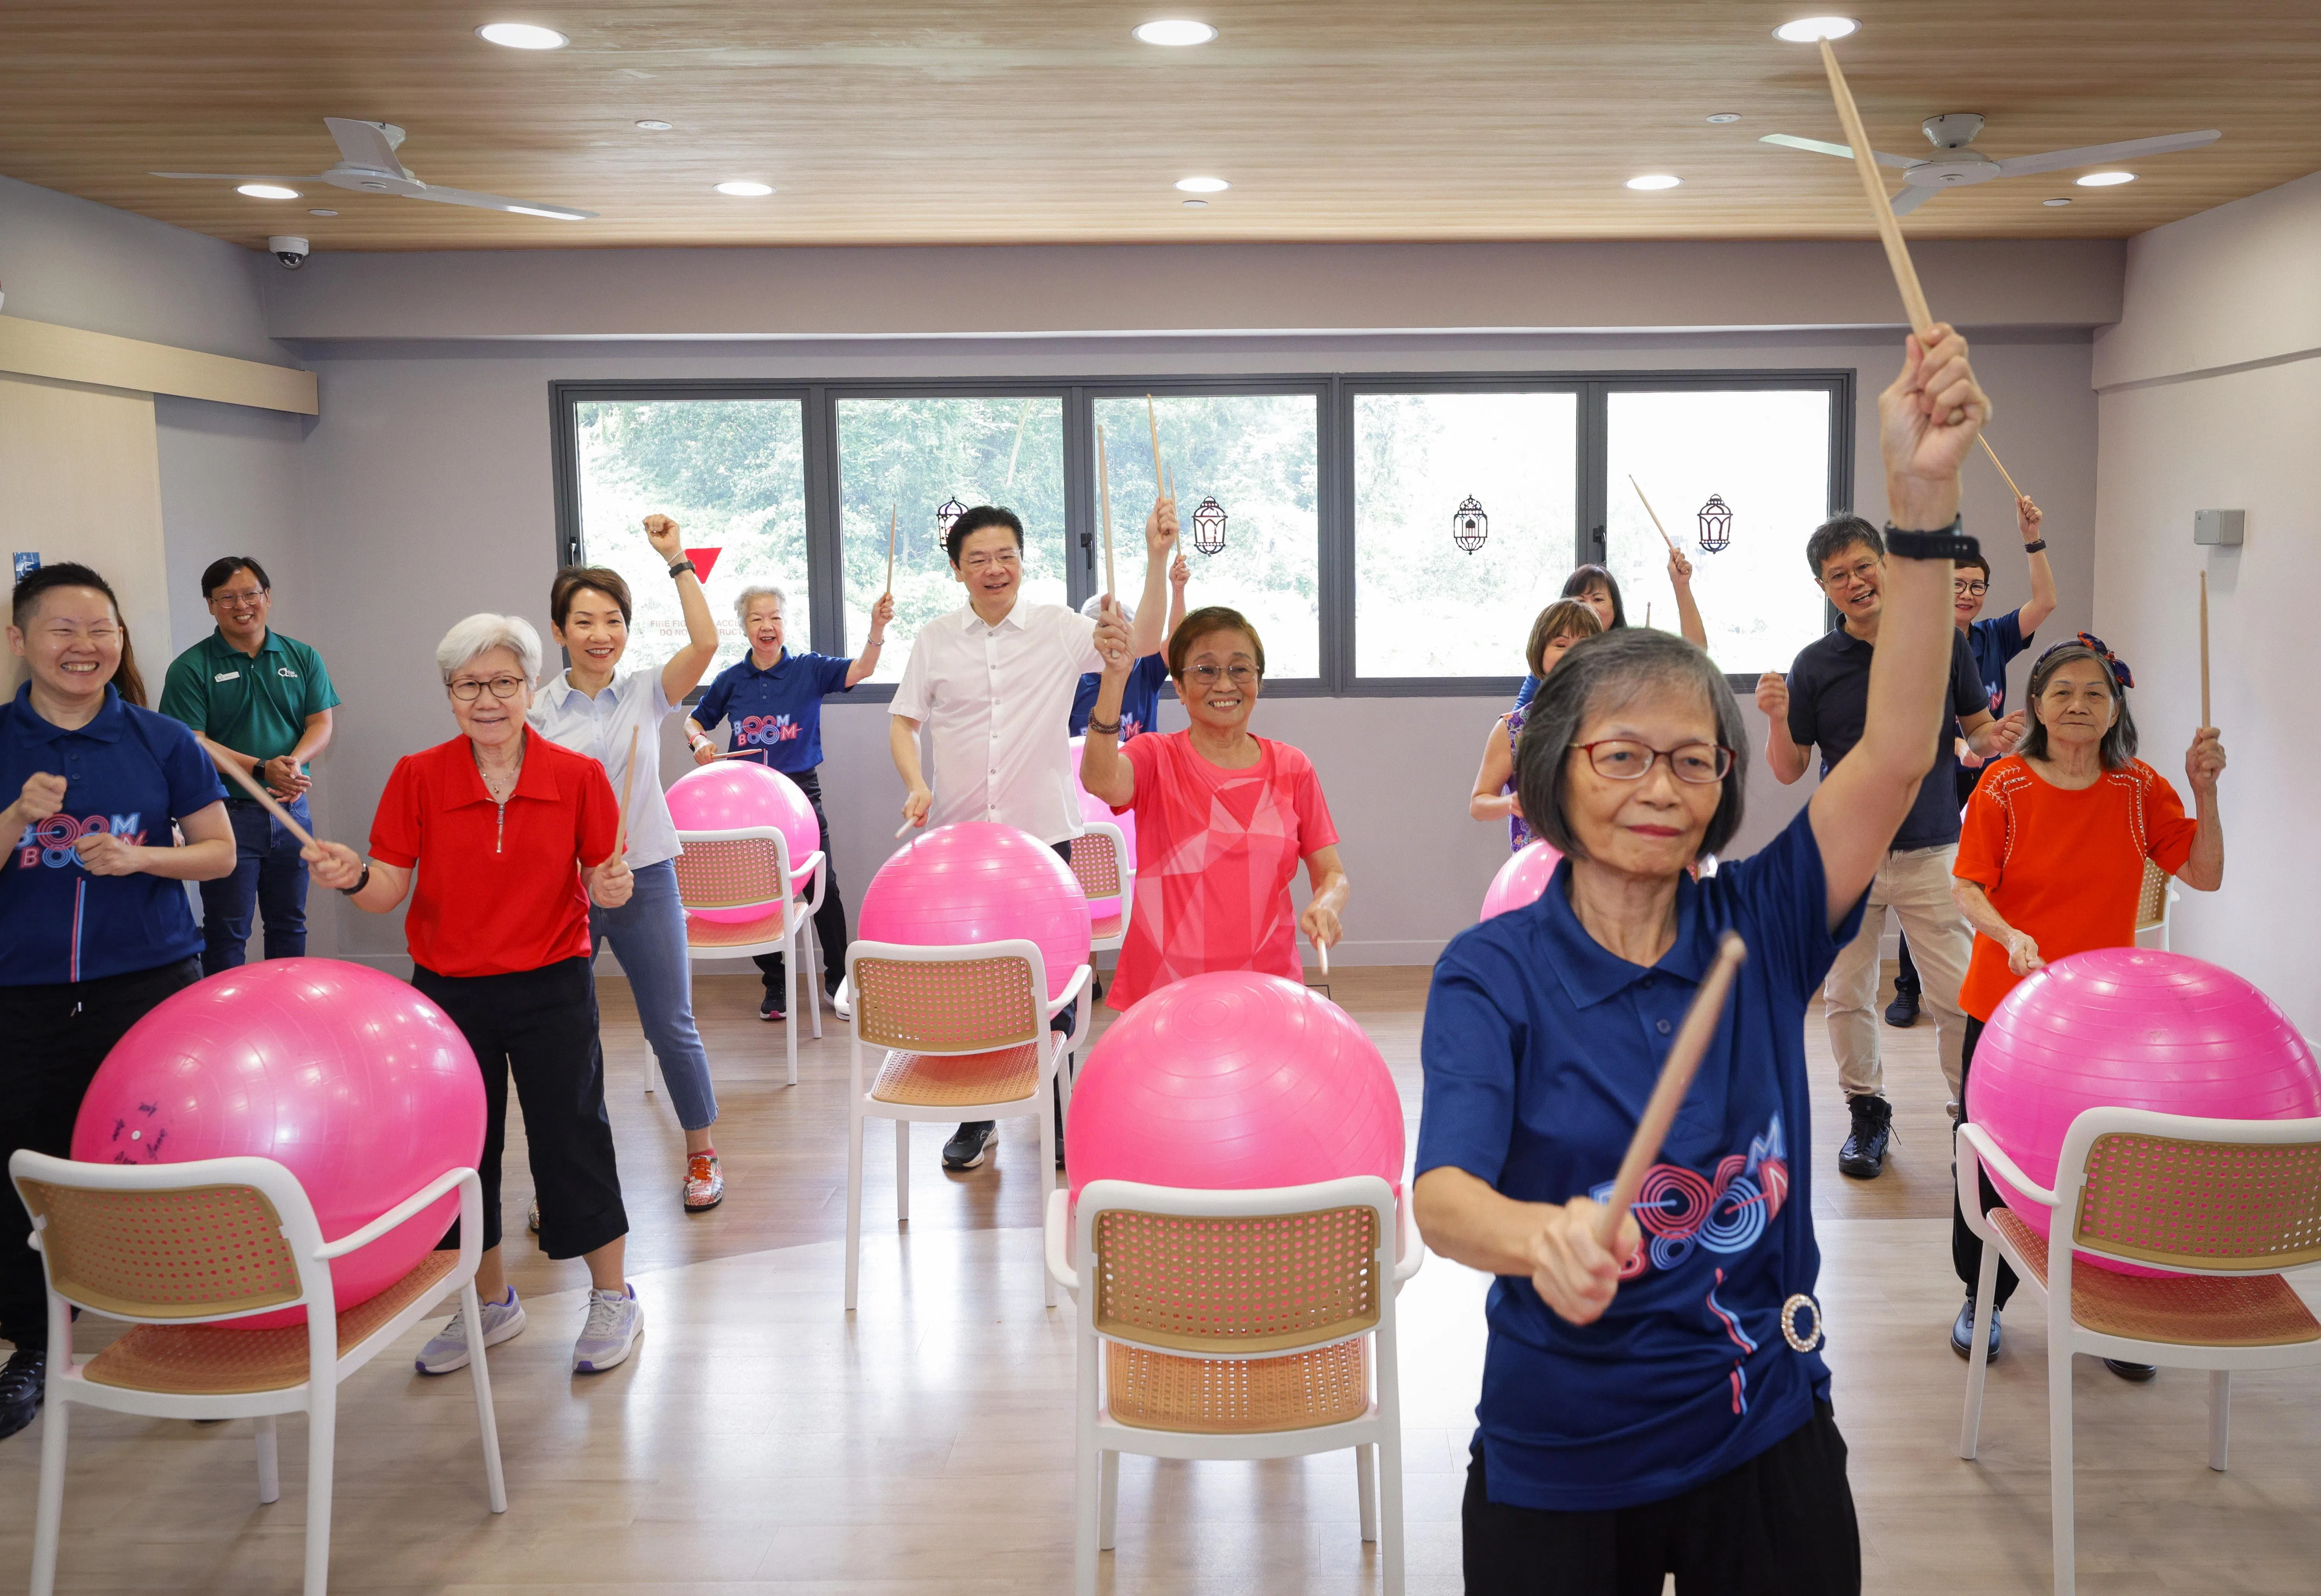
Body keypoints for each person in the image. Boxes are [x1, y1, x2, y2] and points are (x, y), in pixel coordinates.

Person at [1415, 325, 1989, 1594]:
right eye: (1621, 753)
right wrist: (1541, 1233)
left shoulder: (1763, 922)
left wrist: (1923, 502)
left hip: (1763, 1425)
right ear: (1556, 771)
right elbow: (1443, 1194)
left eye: (1694, 757)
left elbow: (1895, 754)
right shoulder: (1490, 971)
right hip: (1562, 1449)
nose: (1660, 784)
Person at [306, 615, 644, 1376]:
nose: (487, 699)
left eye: (504, 682)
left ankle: (614, 1293)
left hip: (553, 981)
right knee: (461, 1154)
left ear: (530, 688)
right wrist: (355, 874)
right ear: (450, 694)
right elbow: (387, 888)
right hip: (450, 995)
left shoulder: (579, 775)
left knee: (573, 1135)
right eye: (468, 685)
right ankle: (489, 1303)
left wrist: (609, 882)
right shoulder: (418, 774)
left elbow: (599, 876)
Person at [1945, 635, 2224, 1378]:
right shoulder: (2003, 785)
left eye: (2093, 694)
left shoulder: (2139, 790)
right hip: (2007, 1009)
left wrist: (2206, 792)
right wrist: (2008, 933)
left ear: (2113, 711)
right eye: (2062, 691)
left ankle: (2107, 1314)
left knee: (2108, 1167)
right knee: (1990, 1157)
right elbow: (1967, 887)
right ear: (2036, 707)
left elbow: (2204, 872)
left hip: (2105, 1026)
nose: (2077, 704)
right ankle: (1984, 1295)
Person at [0, 563, 234, 1441]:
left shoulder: (162, 738)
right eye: (62, 629)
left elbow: (214, 853)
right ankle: (34, 1342)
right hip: (18, 996)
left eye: (101, 629)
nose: (85, 646)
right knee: (23, 1176)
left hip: (145, 988)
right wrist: (18, 818)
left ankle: (190, 1334)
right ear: (20, 641)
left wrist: (142, 859)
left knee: (159, 1168)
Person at [889, 500, 1176, 1173]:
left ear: (1022, 561)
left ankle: (1058, 1108)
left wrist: (1156, 559)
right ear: (958, 570)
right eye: (980, 559)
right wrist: (916, 783)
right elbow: (905, 722)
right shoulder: (934, 638)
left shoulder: (1055, 628)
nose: (996, 570)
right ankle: (978, 1114)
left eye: (1007, 556)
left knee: (1054, 984)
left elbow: (1143, 641)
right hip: (962, 846)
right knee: (972, 988)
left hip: (1044, 843)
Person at [1755, 514, 2023, 1180]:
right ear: (1824, 586)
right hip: (1846, 856)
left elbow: (1977, 730)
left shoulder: (1939, 642)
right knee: (1847, 994)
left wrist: (2000, 738)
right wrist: (1772, 719)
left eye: (1861, 567)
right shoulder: (1815, 666)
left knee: (1959, 995)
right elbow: (1789, 768)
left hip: (1935, 849)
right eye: (1837, 576)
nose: (1854, 583)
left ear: (1885, 564)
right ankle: (1867, 1114)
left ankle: (1975, 1120)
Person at [530, 515, 729, 1213]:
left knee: (670, 1023)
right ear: (560, 632)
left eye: (612, 620)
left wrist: (677, 559)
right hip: (565, 891)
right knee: (559, 1033)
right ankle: (562, 1173)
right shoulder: (534, 713)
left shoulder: (648, 690)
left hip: (644, 878)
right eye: (583, 621)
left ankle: (702, 1154)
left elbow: (707, 642)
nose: (599, 634)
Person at [1078, 603, 1348, 1011]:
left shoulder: (1293, 767)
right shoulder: (1155, 756)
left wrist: (1327, 904)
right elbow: (1100, 780)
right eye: (1205, 670)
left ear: (1258, 681)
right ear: (1181, 690)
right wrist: (1115, 680)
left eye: (1240, 669)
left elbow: (1332, 874)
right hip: (1166, 989)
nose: (1224, 684)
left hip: (1268, 986)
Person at [688, 580, 893, 1021]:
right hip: (750, 801)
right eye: (757, 618)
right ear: (744, 627)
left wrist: (876, 627)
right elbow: (694, 721)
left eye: (775, 617)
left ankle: (839, 983)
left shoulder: (808, 669)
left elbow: (862, 669)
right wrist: (698, 743)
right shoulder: (732, 679)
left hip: (801, 792)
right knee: (759, 894)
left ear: (785, 624)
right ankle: (775, 984)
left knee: (825, 886)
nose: (768, 625)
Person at [1888, 494, 2054, 1026]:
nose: (1967, 594)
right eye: (1957, 583)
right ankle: (1907, 988)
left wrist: (2032, 537)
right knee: (1933, 892)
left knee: (1970, 892)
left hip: (1984, 785)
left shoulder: (1993, 637)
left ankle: (1981, 981)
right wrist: (1964, 744)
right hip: (1935, 786)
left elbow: (2046, 601)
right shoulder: (1913, 640)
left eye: (1977, 586)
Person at [159, 555, 340, 974]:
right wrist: (262, 767)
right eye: (227, 598)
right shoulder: (191, 667)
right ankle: (224, 1029)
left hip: (292, 811)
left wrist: (293, 763)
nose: (241, 605)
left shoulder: (302, 656)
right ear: (210, 604)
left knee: (290, 925)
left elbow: (321, 722)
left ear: (267, 597)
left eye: (250, 594)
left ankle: (287, 1017)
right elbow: (193, 742)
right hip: (228, 817)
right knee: (226, 931)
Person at [1471, 599, 1602, 850]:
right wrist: (1511, 803)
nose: (1571, 654)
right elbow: (1479, 804)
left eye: (1584, 645)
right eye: (1560, 645)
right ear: (1540, 654)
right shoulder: (1514, 728)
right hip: (1536, 873)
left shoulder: (1615, 723)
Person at [1512, 550, 1707, 713]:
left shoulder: (1631, 653)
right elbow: (1516, 726)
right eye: (1580, 601)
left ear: (1615, 609)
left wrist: (1681, 586)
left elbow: (1695, 653)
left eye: (1598, 599)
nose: (1589, 608)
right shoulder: (1554, 661)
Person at [1067, 552, 1190, 742]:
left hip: (1143, 769)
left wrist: (1178, 590)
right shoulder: (1074, 683)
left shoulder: (1144, 668)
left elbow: (1177, 640)